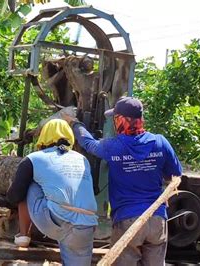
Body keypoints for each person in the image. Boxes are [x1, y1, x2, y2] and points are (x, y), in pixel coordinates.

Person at [64, 97, 183, 266]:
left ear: (121, 120)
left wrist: (76, 124)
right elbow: (176, 175)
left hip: (128, 220)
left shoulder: (113, 146)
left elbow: (89, 144)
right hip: (157, 219)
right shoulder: (160, 142)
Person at [6, 119, 98, 266]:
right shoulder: (83, 159)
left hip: (55, 224)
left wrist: (12, 186)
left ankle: (23, 235)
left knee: (30, 183)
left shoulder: (34, 158)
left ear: (43, 137)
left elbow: (15, 196)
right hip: (87, 226)